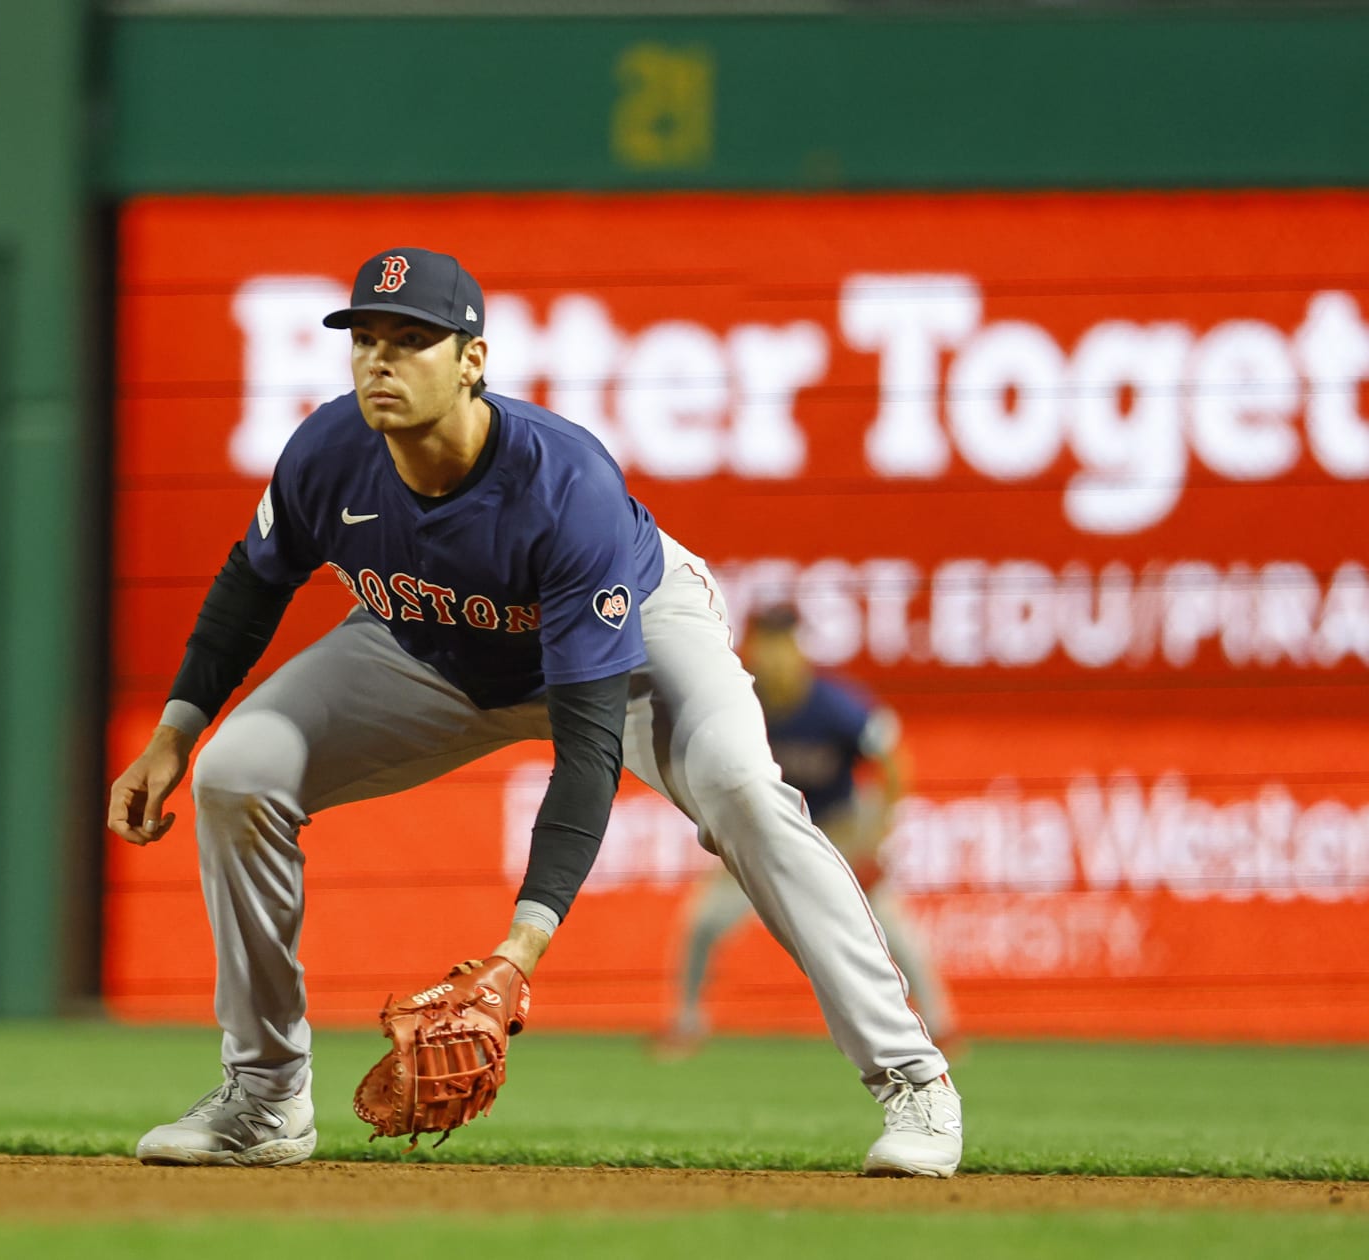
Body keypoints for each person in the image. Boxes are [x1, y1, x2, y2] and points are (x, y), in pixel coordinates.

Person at [107, 248, 963, 1177]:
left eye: (413, 339)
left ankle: (913, 1080)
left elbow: (587, 745)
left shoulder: (564, 488)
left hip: (631, 639)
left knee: (739, 787)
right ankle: (264, 1097)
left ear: (473, 360)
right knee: (238, 772)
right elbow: (251, 581)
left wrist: (524, 943)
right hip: (429, 641)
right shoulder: (329, 451)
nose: (381, 360)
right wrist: (175, 731)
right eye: (366, 339)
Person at [659, 604, 958, 1060]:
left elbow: (894, 762)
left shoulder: (834, 704)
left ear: (799, 649)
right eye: (768, 645)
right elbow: (696, 764)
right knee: (703, 922)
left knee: (891, 929)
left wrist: (874, 841)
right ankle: (687, 1022)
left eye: (785, 645)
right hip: (765, 832)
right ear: (752, 649)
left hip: (836, 828)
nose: (776, 657)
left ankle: (942, 1025)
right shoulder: (737, 699)